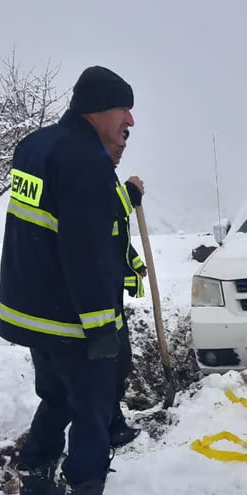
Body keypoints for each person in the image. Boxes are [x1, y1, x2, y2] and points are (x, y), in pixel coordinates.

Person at [0, 65, 136, 495]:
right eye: (124, 108)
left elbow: (63, 217)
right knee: (93, 409)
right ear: (99, 109)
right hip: (77, 317)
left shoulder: (37, 147)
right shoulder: (87, 163)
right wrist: (102, 328)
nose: (131, 121)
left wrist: (126, 197)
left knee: (55, 398)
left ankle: (35, 487)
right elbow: (87, 250)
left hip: (37, 312)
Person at [105, 129, 147, 451]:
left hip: (109, 297)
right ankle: (106, 424)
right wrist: (128, 195)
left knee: (120, 359)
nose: (124, 143)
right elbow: (105, 215)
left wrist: (134, 264)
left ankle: (112, 419)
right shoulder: (91, 179)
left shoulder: (104, 179)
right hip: (96, 301)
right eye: (120, 134)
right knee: (111, 360)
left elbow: (116, 238)